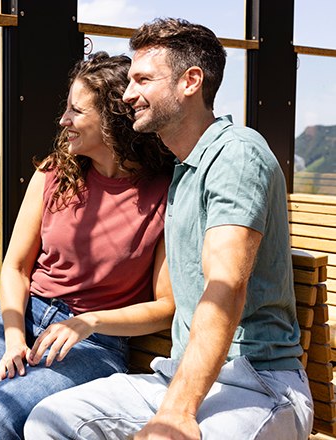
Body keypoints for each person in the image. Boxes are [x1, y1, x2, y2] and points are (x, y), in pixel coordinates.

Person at [25, 18, 314, 440]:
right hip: (180, 374)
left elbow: (226, 287)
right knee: (48, 420)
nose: (127, 94)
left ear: (190, 81)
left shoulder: (236, 154)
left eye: (143, 79)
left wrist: (176, 412)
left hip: (256, 382)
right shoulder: (182, 169)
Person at [0, 52, 176, 440]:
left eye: (75, 111)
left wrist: (90, 322)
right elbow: (16, 268)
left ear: (113, 120)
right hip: (22, 315)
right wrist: (14, 335)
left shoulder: (164, 194)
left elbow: (166, 307)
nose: (63, 120)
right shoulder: (53, 173)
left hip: (94, 343)